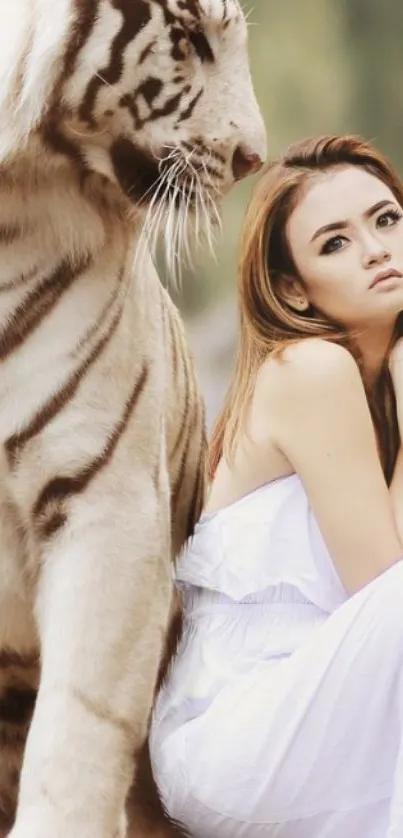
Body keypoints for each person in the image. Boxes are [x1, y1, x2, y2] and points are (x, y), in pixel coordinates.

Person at [149, 134, 403, 838]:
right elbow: (384, 590)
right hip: (242, 730)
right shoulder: (309, 370)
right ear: (291, 286)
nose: (377, 250)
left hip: (334, 717)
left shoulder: (371, 390)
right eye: (334, 243)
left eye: (386, 220)